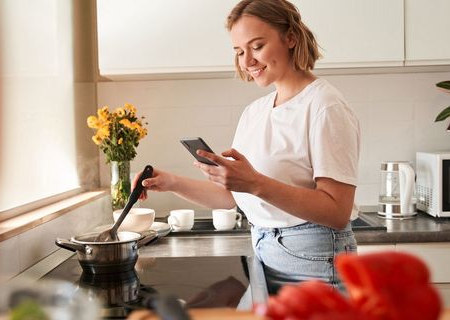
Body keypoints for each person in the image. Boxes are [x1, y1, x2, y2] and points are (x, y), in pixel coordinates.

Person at [135, 0, 359, 296]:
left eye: (257, 46)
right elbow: (232, 197)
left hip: (315, 259)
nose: (247, 61)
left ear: (290, 37)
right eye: (239, 51)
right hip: (266, 252)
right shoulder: (255, 111)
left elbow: (337, 210)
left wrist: (254, 183)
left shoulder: (324, 106)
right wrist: (170, 182)